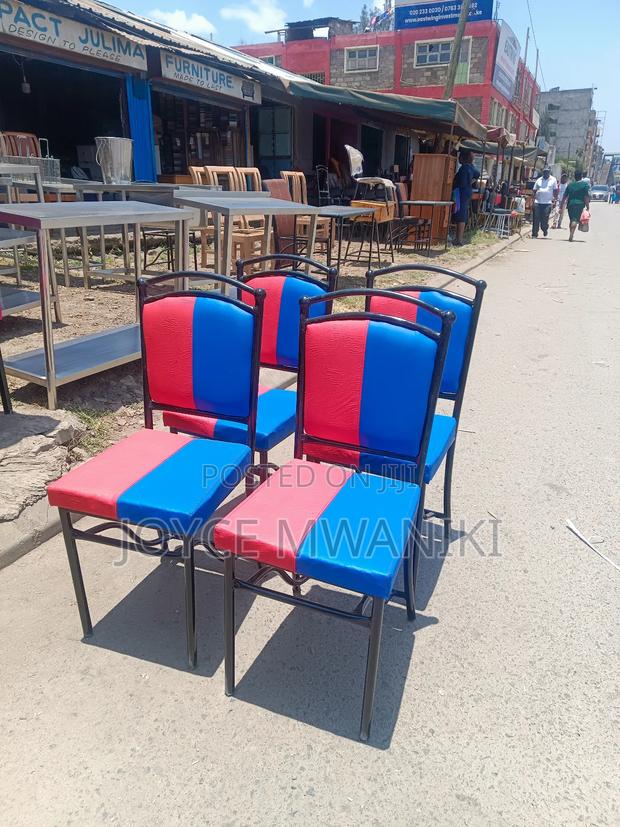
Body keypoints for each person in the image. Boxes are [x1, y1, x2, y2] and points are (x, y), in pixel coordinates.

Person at [452, 149, 480, 246]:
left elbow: (461, 182)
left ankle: (458, 239)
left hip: (461, 192)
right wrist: (471, 182)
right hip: (467, 191)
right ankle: (458, 238)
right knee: (461, 213)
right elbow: (478, 174)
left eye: (460, 157)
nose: (458, 158)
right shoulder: (471, 167)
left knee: (460, 214)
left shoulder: (464, 168)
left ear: (463, 158)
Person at [561, 170, 591, 242]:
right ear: (581, 177)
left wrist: (561, 206)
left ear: (574, 176)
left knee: (571, 219)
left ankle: (571, 232)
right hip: (579, 205)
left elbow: (564, 196)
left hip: (570, 204)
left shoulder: (570, 185)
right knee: (575, 220)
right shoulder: (584, 185)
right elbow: (586, 197)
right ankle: (572, 234)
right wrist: (587, 206)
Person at [532, 167, 558, 238]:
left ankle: (544, 229)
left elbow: (555, 191)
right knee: (536, 218)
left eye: (547, 172)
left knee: (544, 219)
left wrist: (555, 200)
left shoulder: (553, 180)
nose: (546, 173)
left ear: (549, 172)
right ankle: (534, 234)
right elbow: (534, 190)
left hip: (547, 203)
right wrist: (533, 201)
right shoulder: (539, 180)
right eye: (544, 172)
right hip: (538, 202)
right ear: (543, 172)